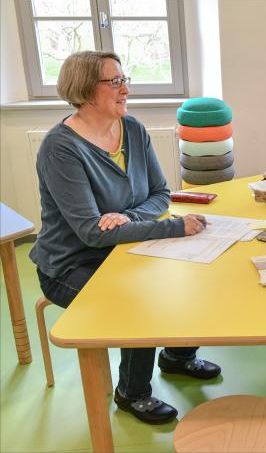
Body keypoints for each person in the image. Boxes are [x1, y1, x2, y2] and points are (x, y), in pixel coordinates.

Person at [29, 51, 221, 425]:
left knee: (192, 276)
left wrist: (127, 219)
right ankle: (132, 393)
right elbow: (90, 232)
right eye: (114, 82)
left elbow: (161, 195)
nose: (125, 89)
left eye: (124, 79)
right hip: (70, 264)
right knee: (139, 302)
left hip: (128, 245)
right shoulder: (60, 148)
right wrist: (172, 227)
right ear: (85, 91)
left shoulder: (132, 129)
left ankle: (177, 356)